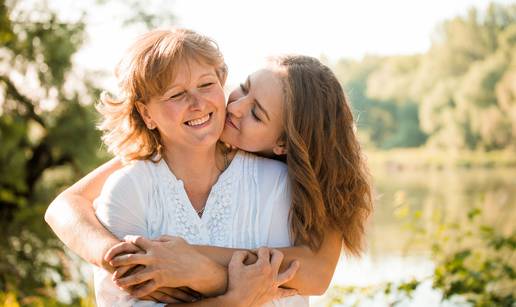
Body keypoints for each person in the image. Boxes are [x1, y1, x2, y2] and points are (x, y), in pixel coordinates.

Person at [45, 28, 373, 306]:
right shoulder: (139, 176)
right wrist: (119, 257)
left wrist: (192, 266)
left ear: (283, 144)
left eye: (257, 114)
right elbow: (64, 206)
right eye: (242, 89)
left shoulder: (293, 183)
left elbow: (314, 275)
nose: (234, 108)